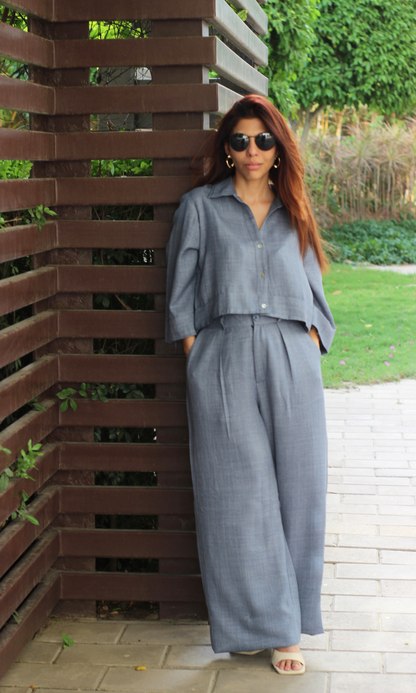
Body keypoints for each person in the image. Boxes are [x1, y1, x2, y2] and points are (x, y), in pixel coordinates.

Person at [164, 94, 336, 676]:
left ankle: (287, 627)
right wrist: (198, 354)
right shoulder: (200, 208)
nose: (253, 150)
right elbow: (181, 295)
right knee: (237, 498)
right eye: (240, 140)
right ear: (228, 150)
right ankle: (258, 626)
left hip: (291, 355)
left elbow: (316, 295)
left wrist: (311, 341)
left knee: (299, 492)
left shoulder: (294, 210)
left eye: (263, 140)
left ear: (278, 149)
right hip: (225, 355)